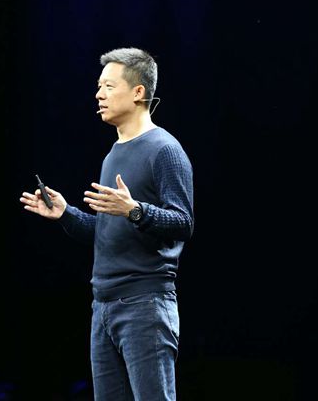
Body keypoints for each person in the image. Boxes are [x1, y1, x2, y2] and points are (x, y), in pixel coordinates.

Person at [20, 47, 194, 401]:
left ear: (138, 92)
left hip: (144, 304)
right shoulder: (113, 154)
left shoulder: (165, 149)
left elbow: (183, 222)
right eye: (99, 86)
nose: (99, 94)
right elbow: (108, 233)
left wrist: (135, 210)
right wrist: (66, 214)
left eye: (109, 86)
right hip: (103, 306)